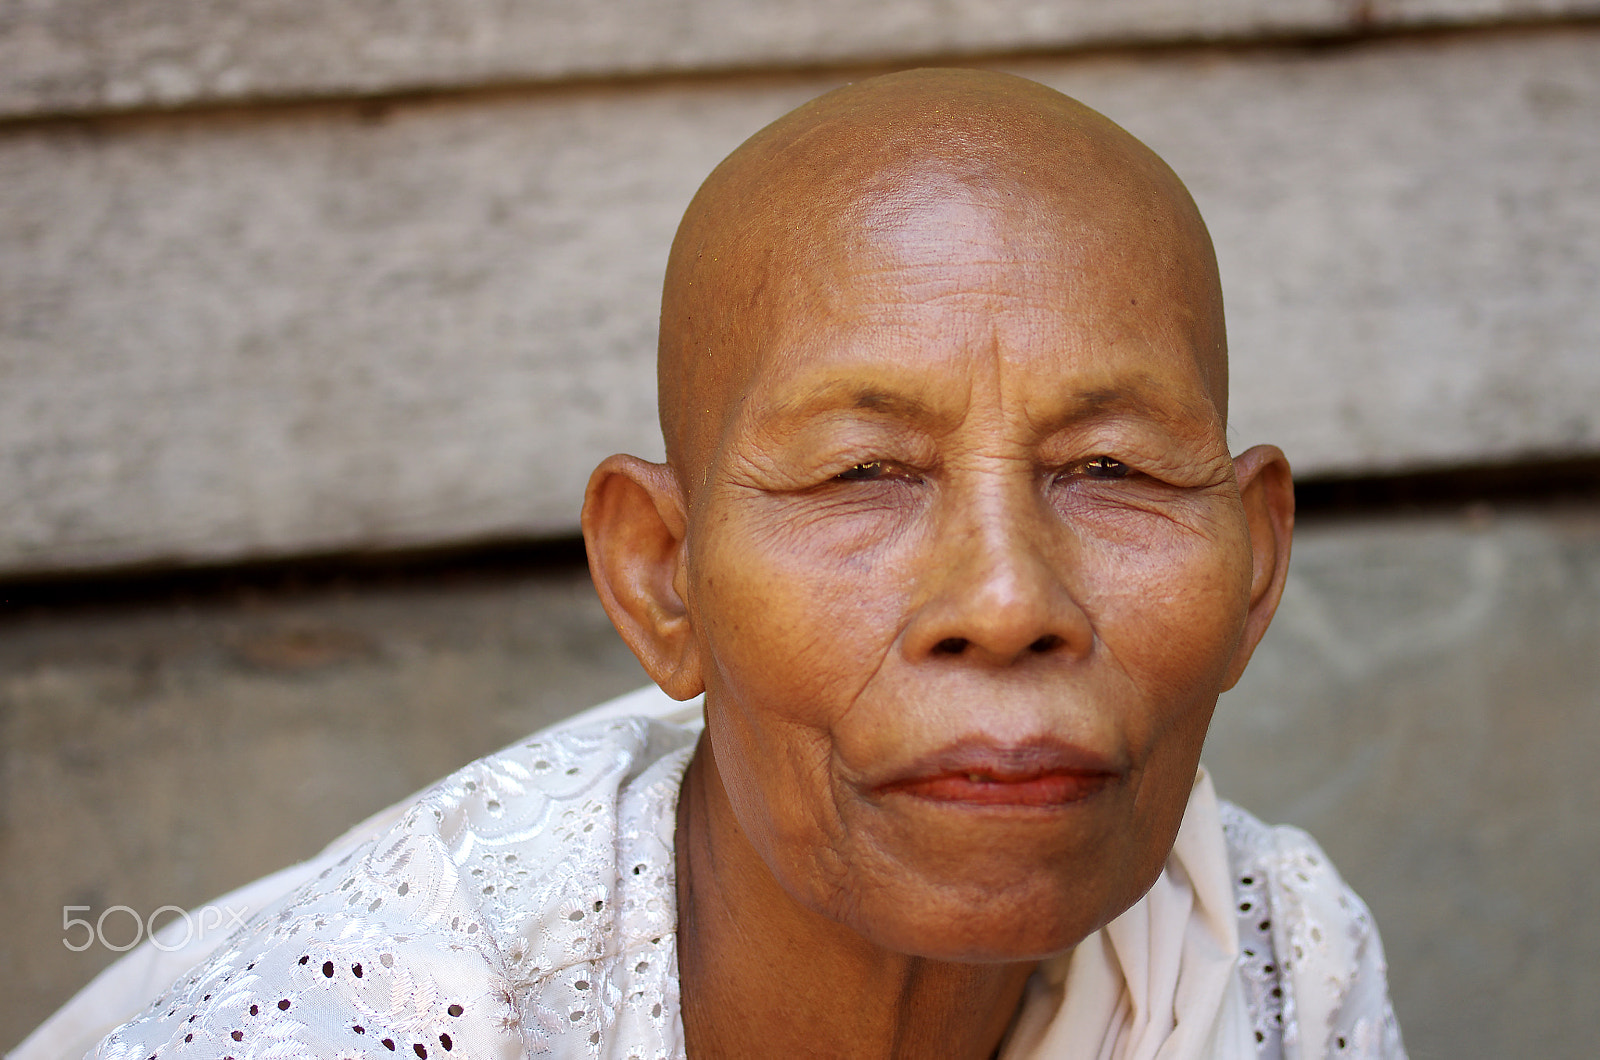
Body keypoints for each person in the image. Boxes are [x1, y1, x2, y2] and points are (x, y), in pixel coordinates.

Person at [24, 67, 1403, 1058]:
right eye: (864, 474)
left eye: (1111, 471)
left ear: (1255, 569)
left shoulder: (1279, 955)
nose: (1004, 603)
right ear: (662, 575)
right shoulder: (380, 1017)